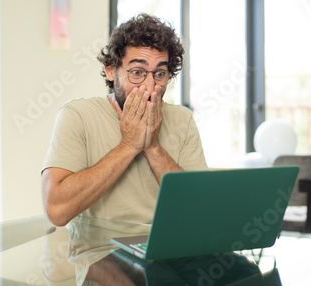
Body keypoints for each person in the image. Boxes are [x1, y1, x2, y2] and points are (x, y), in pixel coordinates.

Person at [41, 14, 208, 227]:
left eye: (159, 73)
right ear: (111, 69)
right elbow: (56, 211)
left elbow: (201, 209)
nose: (149, 86)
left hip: (171, 249)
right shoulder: (77, 115)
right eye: (137, 72)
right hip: (103, 252)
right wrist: (129, 145)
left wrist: (153, 146)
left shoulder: (182, 119)